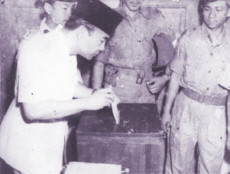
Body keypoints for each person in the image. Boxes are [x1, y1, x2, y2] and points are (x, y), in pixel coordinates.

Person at [0, 0, 123, 174]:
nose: (102, 49)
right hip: (25, 150)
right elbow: (32, 110)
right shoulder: (34, 47)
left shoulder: (66, 48)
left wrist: (97, 94)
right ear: (81, 32)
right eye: (101, 41)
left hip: (48, 144)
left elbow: (69, 84)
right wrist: (87, 103)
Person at [162, 0, 230, 173]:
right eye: (207, 9)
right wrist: (166, 111)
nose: (212, 15)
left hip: (216, 113)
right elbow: (176, 75)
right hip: (185, 107)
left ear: (228, 12)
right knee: (177, 164)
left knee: (211, 166)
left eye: (218, 9)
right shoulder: (189, 37)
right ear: (201, 11)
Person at [92, 0, 174, 105]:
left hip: (146, 92)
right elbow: (99, 62)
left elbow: (173, 54)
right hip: (115, 91)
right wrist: (96, 96)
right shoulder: (109, 17)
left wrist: (164, 78)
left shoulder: (155, 18)